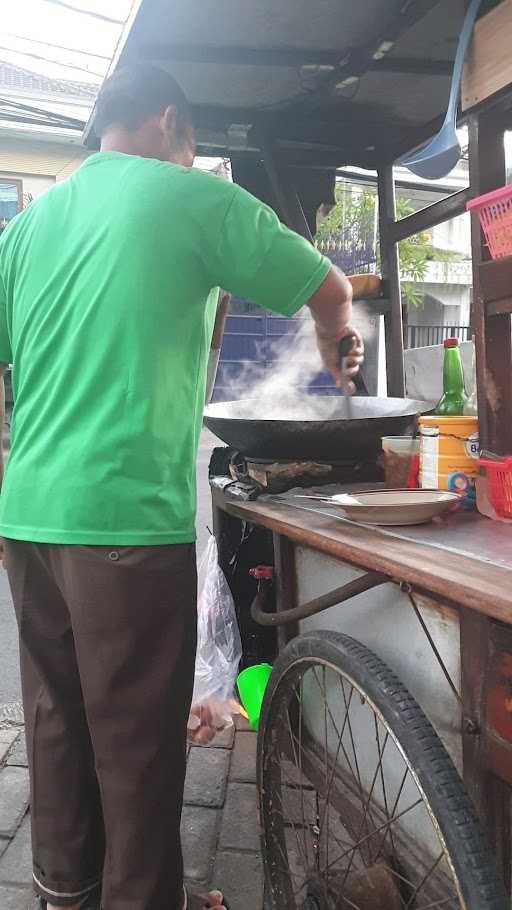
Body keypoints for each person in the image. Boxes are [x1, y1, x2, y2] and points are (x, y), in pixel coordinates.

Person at [0, 64, 363, 910]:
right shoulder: (185, 194)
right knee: (137, 747)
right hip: (122, 522)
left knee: (58, 725)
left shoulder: (30, 223)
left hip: (28, 516)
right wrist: (339, 348)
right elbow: (329, 287)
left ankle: (64, 894)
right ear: (167, 124)